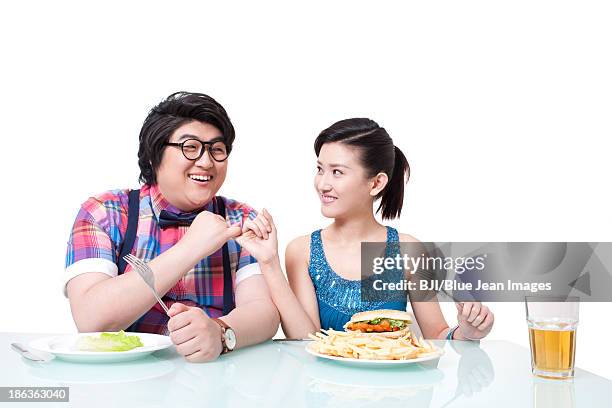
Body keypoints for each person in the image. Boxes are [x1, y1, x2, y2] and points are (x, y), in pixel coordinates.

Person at [65, 92, 279, 362]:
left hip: (215, 375)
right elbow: (91, 318)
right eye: (190, 147)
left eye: (217, 149)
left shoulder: (241, 218)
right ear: (155, 154)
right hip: (125, 377)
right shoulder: (104, 212)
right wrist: (191, 248)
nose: (206, 162)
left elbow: (264, 311)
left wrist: (221, 332)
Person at [236, 118, 494, 340]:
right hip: (324, 393)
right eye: (320, 169)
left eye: (337, 172)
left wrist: (467, 332)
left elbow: (437, 336)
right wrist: (269, 263)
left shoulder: (408, 251)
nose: (323, 184)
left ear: (376, 183)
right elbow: (305, 340)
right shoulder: (301, 251)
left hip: (396, 392)